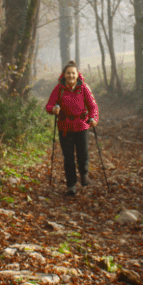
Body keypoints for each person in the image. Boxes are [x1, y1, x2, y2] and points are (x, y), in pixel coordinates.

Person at [45, 61, 99, 196]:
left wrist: (93, 118)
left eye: (73, 73)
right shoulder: (59, 89)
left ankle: (84, 174)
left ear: (77, 74)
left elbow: (93, 106)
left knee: (83, 154)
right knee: (68, 157)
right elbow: (49, 105)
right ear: (64, 74)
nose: (71, 76)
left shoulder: (84, 88)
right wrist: (54, 109)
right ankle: (71, 185)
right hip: (65, 127)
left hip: (82, 125)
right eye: (68, 73)